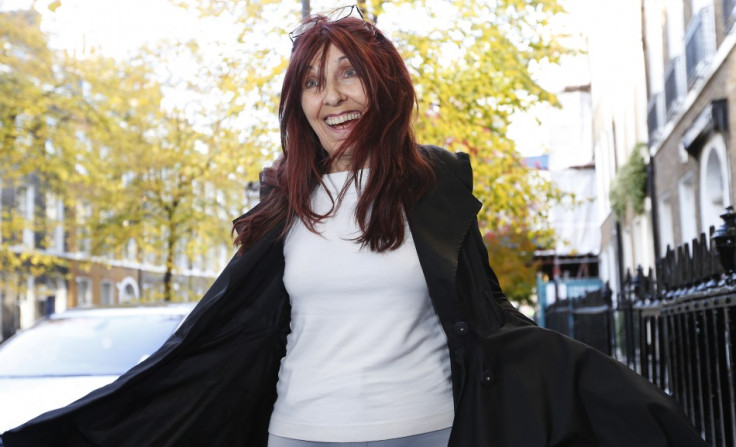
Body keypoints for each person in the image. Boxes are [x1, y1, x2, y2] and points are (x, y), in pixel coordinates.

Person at [1, 5, 708, 447]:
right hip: (302, 431)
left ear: (384, 86)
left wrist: (605, 389)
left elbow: (488, 317)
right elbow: (222, 337)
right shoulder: (284, 199)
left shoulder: (436, 184)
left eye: (348, 75)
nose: (331, 96)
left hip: (427, 428)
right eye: (312, 81)